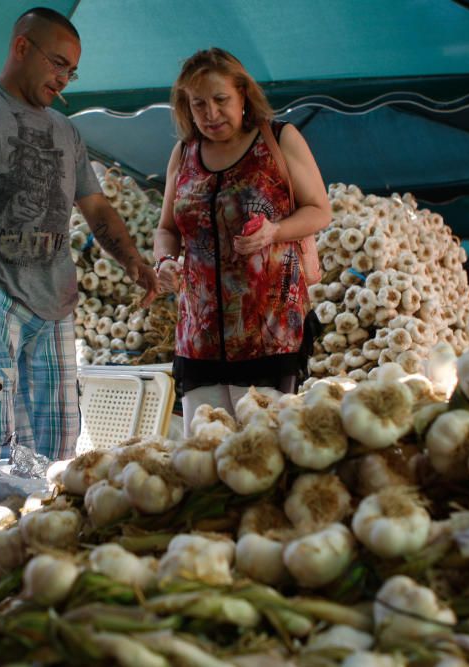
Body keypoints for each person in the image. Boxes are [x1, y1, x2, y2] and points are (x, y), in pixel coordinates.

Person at [0, 7, 157, 463]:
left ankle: (41, 529)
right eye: (58, 63)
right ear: (22, 47)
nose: (64, 79)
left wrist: (133, 261)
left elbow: (96, 207)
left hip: (57, 303)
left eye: (72, 71)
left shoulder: (67, 130)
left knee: (58, 443)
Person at [152, 48, 331, 435]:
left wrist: (275, 231)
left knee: (263, 451)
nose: (211, 114)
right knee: (205, 448)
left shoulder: (279, 139)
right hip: (198, 336)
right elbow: (167, 228)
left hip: (269, 331)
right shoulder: (184, 153)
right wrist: (164, 260)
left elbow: (319, 210)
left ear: (243, 95)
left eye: (221, 101)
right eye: (198, 104)